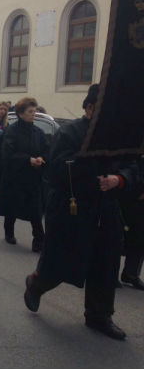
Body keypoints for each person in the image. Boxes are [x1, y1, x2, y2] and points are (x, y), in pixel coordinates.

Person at [23, 84, 133, 340]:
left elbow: (131, 166)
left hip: (106, 210)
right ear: (90, 108)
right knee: (61, 263)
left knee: (105, 263)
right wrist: (90, 168)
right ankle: (36, 284)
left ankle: (99, 315)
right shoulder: (70, 132)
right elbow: (57, 170)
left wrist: (119, 179)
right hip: (72, 209)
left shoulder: (117, 135)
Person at [0, 97, 49, 251]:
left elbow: (46, 149)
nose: (34, 114)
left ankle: (39, 241)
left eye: (34, 111)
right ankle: (9, 233)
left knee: (35, 212)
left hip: (32, 178)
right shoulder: (12, 131)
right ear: (20, 114)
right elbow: (7, 153)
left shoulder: (38, 132)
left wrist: (41, 158)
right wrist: (27, 160)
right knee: (11, 208)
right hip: (15, 177)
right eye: (30, 111)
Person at [120, 159, 144, 290]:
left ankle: (131, 273)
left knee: (140, 237)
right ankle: (109, 274)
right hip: (128, 193)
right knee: (119, 235)